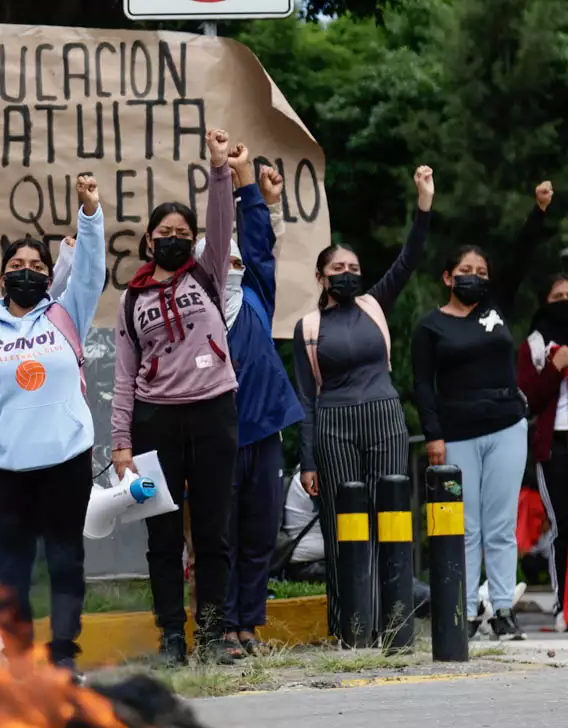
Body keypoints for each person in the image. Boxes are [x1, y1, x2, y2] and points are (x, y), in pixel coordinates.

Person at [0, 174, 104, 677]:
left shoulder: (67, 315)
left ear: (48, 275)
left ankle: (63, 653)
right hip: (4, 470)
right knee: (13, 571)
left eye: (37, 266)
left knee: (65, 561)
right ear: (2, 277)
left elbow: (89, 271)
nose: (27, 272)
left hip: (65, 461)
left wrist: (90, 214)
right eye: (17, 266)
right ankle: (16, 659)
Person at [110, 130, 239, 666]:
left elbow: (221, 223)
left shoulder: (206, 272)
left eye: (183, 232)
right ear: (147, 242)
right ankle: (171, 638)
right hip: (154, 423)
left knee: (211, 533)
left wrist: (219, 170)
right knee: (163, 537)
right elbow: (123, 375)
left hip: (214, 414)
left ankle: (210, 637)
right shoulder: (131, 298)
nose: (174, 239)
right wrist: (121, 444)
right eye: (164, 232)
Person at [293, 166, 434, 639]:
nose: (348, 275)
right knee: (340, 523)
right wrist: (308, 461)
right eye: (339, 269)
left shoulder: (375, 305)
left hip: (384, 418)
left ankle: (394, 625)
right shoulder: (308, 329)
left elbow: (410, 258)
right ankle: (349, 627)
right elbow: (306, 399)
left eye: (354, 269)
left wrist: (423, 204)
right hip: (333, 425)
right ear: (321, 276)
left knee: (389, 515)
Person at [412, 181, 553, 641]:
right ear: (448, 277)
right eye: (465, 269)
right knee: (465, 526)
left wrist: (538, 211)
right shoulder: (430, 327)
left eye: (481, 270)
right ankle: (465, 611)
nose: (474, 275)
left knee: (499, 526)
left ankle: (501, 612)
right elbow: (422, 386)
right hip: (456, 433)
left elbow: (521, 257)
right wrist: (433, 435)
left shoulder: (495, 308)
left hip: (507, 427)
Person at [209, 153, 303, 656]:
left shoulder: (257, 299)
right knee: (222, 534)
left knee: (260, 531)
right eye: (228, 262)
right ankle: (223, 626)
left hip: (266, 430)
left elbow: (261, 246)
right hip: (219, 438)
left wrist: (250, 188)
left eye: (240, 263)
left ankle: (249, 624)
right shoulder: (197, 313)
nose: (236, 267)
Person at [518, 271, 568, 631]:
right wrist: (555, 366)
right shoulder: (534, 345)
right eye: (558, 296)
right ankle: (562, 606)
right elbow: (528, 399)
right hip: (556, 446)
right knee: (564, 527)